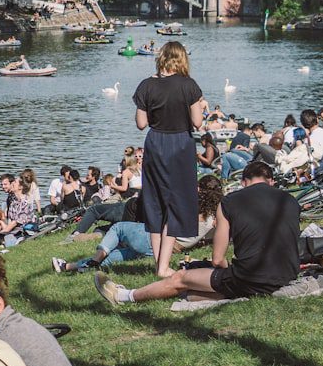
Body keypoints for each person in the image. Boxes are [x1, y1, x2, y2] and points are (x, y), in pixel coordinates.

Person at [97, 161, 299, 305]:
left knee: (181, 278)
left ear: (245, 181)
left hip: (251, 277)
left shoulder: (230, 202)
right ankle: (202, 294)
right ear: (270, 181)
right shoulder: (290, 201)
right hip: (288, 274)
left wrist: (226, 269)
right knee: (195, 289)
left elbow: (218, 259)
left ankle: (123, 296)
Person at [132, 41, 207, 279]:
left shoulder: (146, 85)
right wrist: (202, 107)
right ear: (182, 59)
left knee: (155, 204)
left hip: (155, 143)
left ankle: (159, 265)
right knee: (177, 203)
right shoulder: (189, 85)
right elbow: (197, 123)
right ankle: (164, 267)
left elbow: (141, 124)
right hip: (180, 145)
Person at [56, 175, 223, 275]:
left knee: (118, 227)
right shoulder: (215, 219)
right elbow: (208, 239)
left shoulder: (188, 208)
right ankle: (68, 266)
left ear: (199, 190)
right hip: (166, 252)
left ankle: (93, 259)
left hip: (155, 241)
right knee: (115, 257)